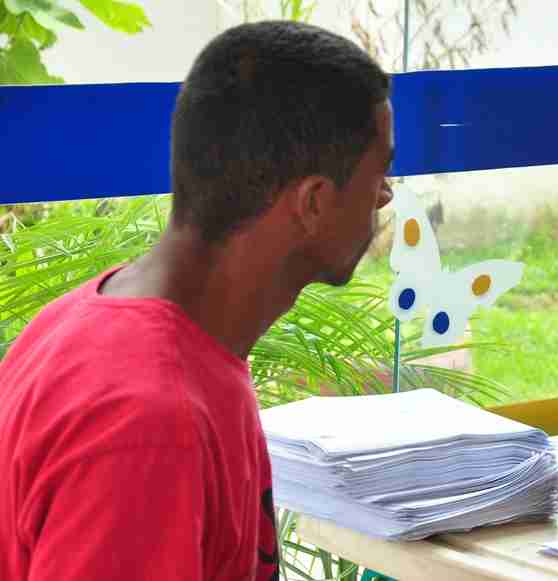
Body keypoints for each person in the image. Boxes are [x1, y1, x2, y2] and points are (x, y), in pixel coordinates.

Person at [0, 21, 394, 581]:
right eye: (380, 171)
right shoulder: (147, 424)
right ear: (312, 203)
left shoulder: (94, 321)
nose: (385, 194)